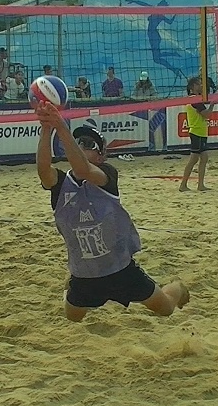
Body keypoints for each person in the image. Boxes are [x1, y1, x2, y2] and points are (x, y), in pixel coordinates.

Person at [34, 102, 190, 322]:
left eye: (88, 144)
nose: (81, 145)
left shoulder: (107, 174)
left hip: (120, 269)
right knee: (73, 318)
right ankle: (70, 283)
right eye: (79, 142)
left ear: (100, 156)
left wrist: (60, 126)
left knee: (165, 309)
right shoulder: (61, 183)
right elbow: (43, 171)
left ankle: (178, 287)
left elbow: (83, 169)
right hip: (85, 274)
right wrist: (46, 127)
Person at [178, 75, 212, 192]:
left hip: (200, 131)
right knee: (194, 159)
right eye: (198, 84)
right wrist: (212, 104)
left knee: (204, 158)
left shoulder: (195, 99)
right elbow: (206, 114)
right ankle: (183, 185)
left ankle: (200, 185)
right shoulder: (194, 100)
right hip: (197, 131)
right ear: (192, 87)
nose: (201, 85)